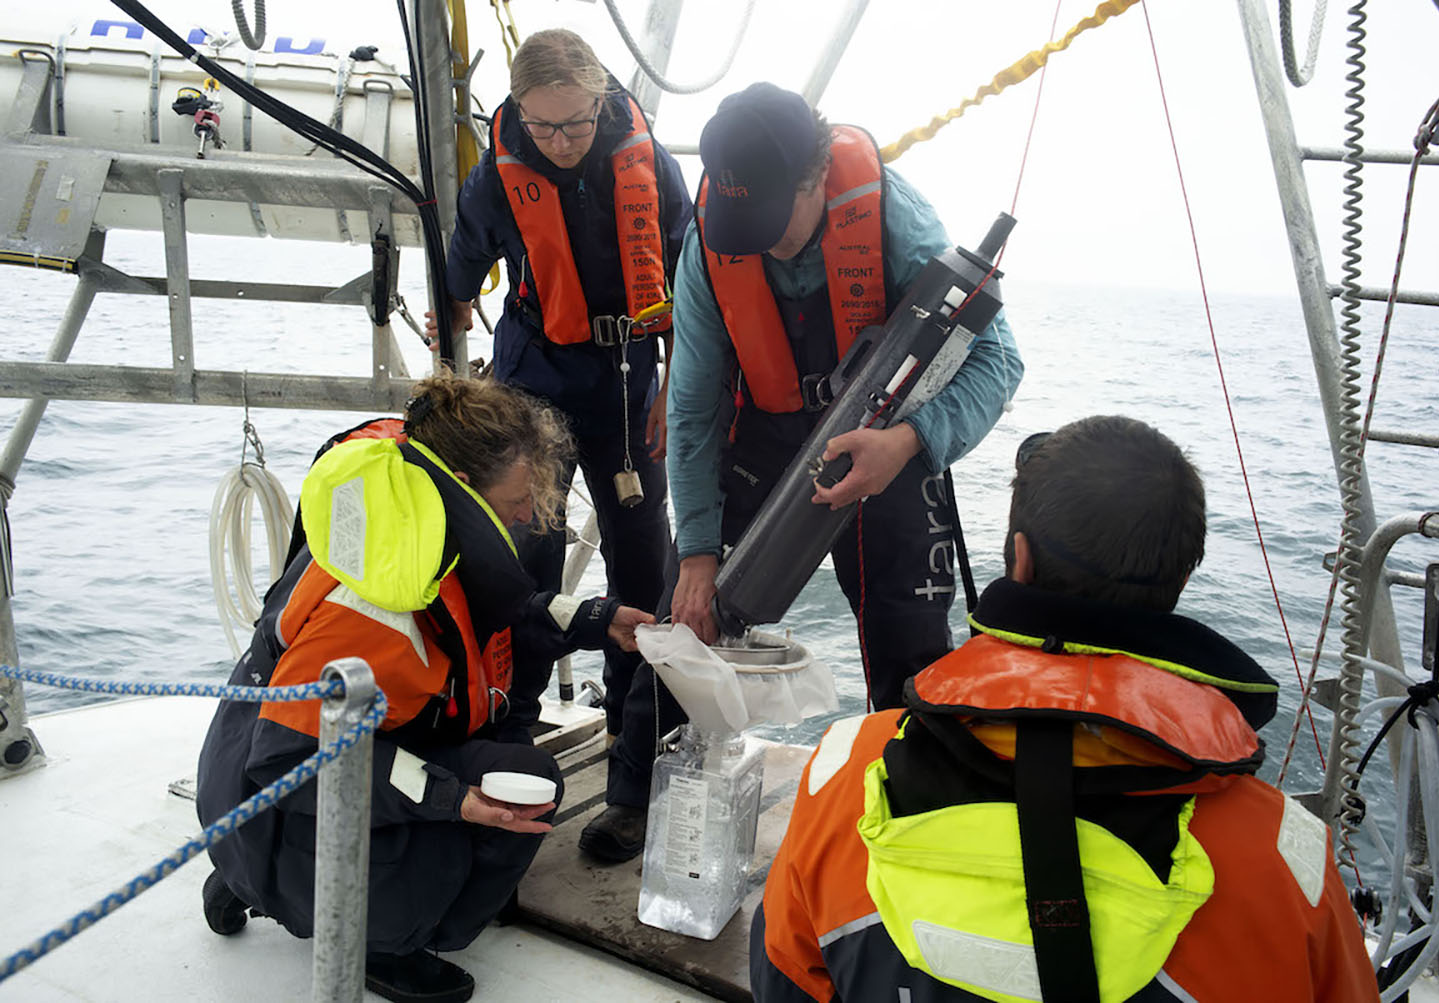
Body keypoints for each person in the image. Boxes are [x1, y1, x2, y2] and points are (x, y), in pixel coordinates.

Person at [750, 415, 1380, 1002]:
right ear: (1181, 581)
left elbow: (782, 976)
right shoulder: (1286, 860)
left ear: (1019, 559)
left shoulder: (846, 770)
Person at [578, 82, 1024, 862]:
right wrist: (699, 549)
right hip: (767, 429)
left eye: (770, 223)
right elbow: (689, 408)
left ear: (818, 178)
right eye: (737, 225)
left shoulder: (894, 221)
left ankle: (915, 822)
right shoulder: (713, 244)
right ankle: (633, 794)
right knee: (685, 611)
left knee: (909, 635)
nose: (751, 242)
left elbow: (998, 360)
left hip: (885, 433)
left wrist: (914, 439)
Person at [195, 373, 655, 1003]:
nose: (529, 513)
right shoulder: (373, 607)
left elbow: (490, 613)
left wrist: (600, 621)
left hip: (244, 794)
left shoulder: (409, 537)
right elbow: (291, 761)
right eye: (519, 497)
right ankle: (380, 938)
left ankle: (255, 876)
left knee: (507, 769)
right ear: (465, 489)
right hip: (275, 792)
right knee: (505, 803)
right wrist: (450, 799)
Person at [427, 28, 692, 763]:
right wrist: (448, 330)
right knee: (527, 557)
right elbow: (461, 271)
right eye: (543, 124)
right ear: (517, 109)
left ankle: (632, 731)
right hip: (534, 382)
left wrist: (677, 384)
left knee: (642, 559)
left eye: (577, 121)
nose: (562, 139)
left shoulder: (648, 165)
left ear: (602, 102)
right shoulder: (497, 175)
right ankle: (510, 727)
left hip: (628, 382)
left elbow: (692, 277)